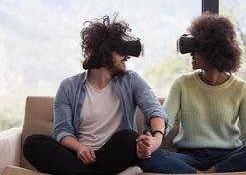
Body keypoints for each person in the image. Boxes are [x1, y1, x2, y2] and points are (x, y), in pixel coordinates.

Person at [23, 14, 167, 175]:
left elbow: (154, 111)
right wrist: (79, 148)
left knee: (128, 138)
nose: (126, 56)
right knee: (33, 143)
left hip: (114, 155)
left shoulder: (132, 80)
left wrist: (156, 139)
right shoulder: (68, 86)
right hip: (80, 155)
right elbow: (62, 131)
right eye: (121, 51)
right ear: (105, 53)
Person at [139, 12, 246, 174]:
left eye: (196, 47)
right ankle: (201, 173)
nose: (191, 53)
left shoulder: (242, 89)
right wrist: (152, 139)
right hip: (189, 157)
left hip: (228, 155)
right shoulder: (182, 83)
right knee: (146, 157)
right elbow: (164, 121)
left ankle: (208, 171)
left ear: (213, 49)